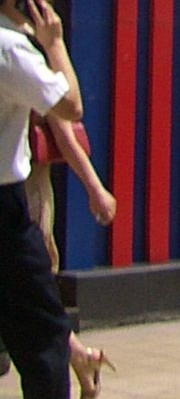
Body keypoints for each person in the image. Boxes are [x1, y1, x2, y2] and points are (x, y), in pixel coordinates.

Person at [2, 0, 86, 399]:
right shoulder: (14, 50)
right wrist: (55, 47)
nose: (51, 6)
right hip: (4, 213)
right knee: (45, 334)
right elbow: (71, 106)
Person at [24, 113, 116, 397]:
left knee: (32, 295)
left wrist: (95, 189)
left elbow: (63, 125)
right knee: (33, 300)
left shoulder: (26, 70)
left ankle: (79, 357)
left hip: (25, 197)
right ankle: (80, 356)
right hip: (18, 198)